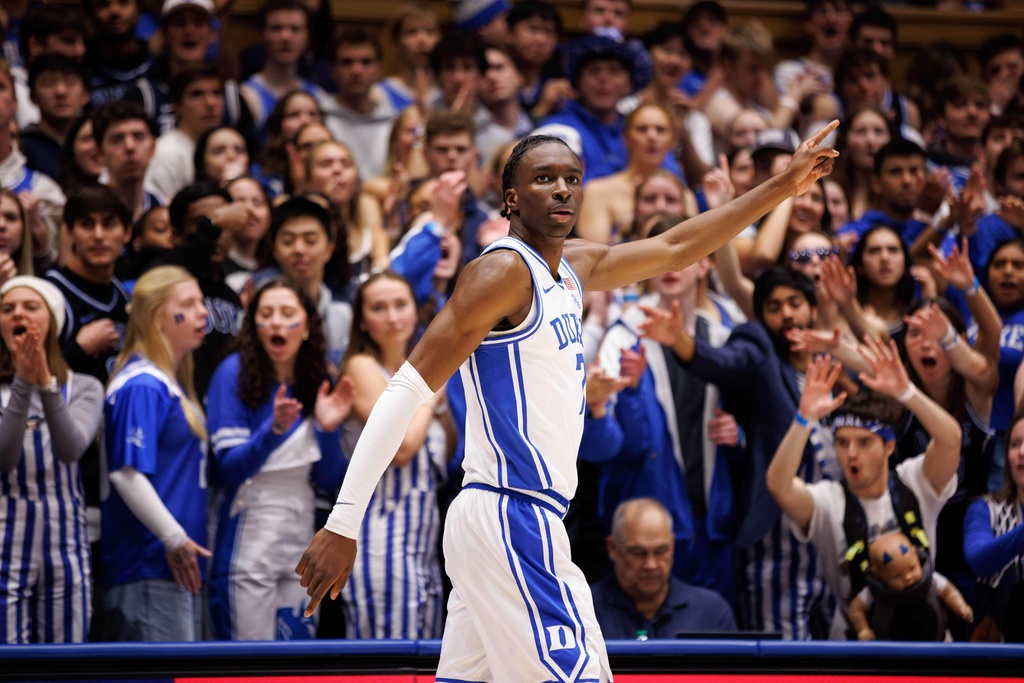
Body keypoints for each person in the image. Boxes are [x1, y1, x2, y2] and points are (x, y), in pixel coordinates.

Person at [297, 121, 838, 678]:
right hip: (510, 512)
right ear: (511, 198)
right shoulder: (502, 271)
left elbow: (676, 248)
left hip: (513, 519)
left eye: (572, 179)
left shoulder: (572, 267)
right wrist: (343, 523)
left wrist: (783, 186)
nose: (562, 189)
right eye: (544, 178)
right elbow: (406, 388)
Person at [765, 347, 961, 639]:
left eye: (864, 443)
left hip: (929, 641)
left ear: (889, 446)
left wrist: (907, 392)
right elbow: (778, 485)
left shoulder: (915, 481)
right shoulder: (828, 501)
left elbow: (950, 439)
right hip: (856, 644)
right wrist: (804, 417)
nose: (851, 454)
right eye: (842, 443)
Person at [206, 278, 353, 641]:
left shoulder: (318, 379)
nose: (276, 322)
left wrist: (327, 428)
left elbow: (329, 480)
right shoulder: (232, 372)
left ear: (307, 325)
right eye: (266, 313)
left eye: (287, 313)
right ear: (252, 325)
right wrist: (272, 431)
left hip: (302, 530)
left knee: (297, 654)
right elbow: (228, 469)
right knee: (249, 660)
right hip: (247, 528)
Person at [339, 271, 450, 639]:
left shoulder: (423, 374)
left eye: (400, 305)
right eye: (378, 308)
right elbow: (401, 448)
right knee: (391, 661)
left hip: (424, 543)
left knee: (427, 662)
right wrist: (432, 394)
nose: (392, 317)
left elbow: (448, 455)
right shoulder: (362, 366)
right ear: (361, 320)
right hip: (380, 540)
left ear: (415, 312)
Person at [101, 265, 210, 641]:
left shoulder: (169, 383)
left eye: (201, 302)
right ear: (155, 315)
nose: (203, 313)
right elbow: (126, 472)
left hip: (175, 563)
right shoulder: (143, 385)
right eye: (188, 304)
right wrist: (174, 538)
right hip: (149, 563)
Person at [0, 276, 103, 643]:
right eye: (8, 309)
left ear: (53, 321)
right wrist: (22, 382)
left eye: (31, 307)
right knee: (7, 660)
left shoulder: (85, 386)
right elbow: (4, 458)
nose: (18, 314)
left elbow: (70, 448)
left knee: (66, 659)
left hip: (67, 545)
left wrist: (44, 381)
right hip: (5, 543)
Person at [590, 498, 736, 640]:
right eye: (638, 553)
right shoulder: (585, 610)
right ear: (613, 548)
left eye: (661, 551)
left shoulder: (711, 612)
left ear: (672, 545)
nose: (651, 565)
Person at [964, 409, 1024, 642]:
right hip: (1000, 650)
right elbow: (979, 560)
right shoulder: (985, 509)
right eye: (1015, 444)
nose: (1021, 452)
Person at [848, 530, 973, 641]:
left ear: (916, 555)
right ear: (878, 575)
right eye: (896, 576)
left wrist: (961, 607)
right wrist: (863, 629)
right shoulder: (872, 592)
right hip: (891, 653)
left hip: (938, 644)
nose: (908, 577)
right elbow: (856, 609)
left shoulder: (931, 580)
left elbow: (949, 592)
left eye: (912, 568)